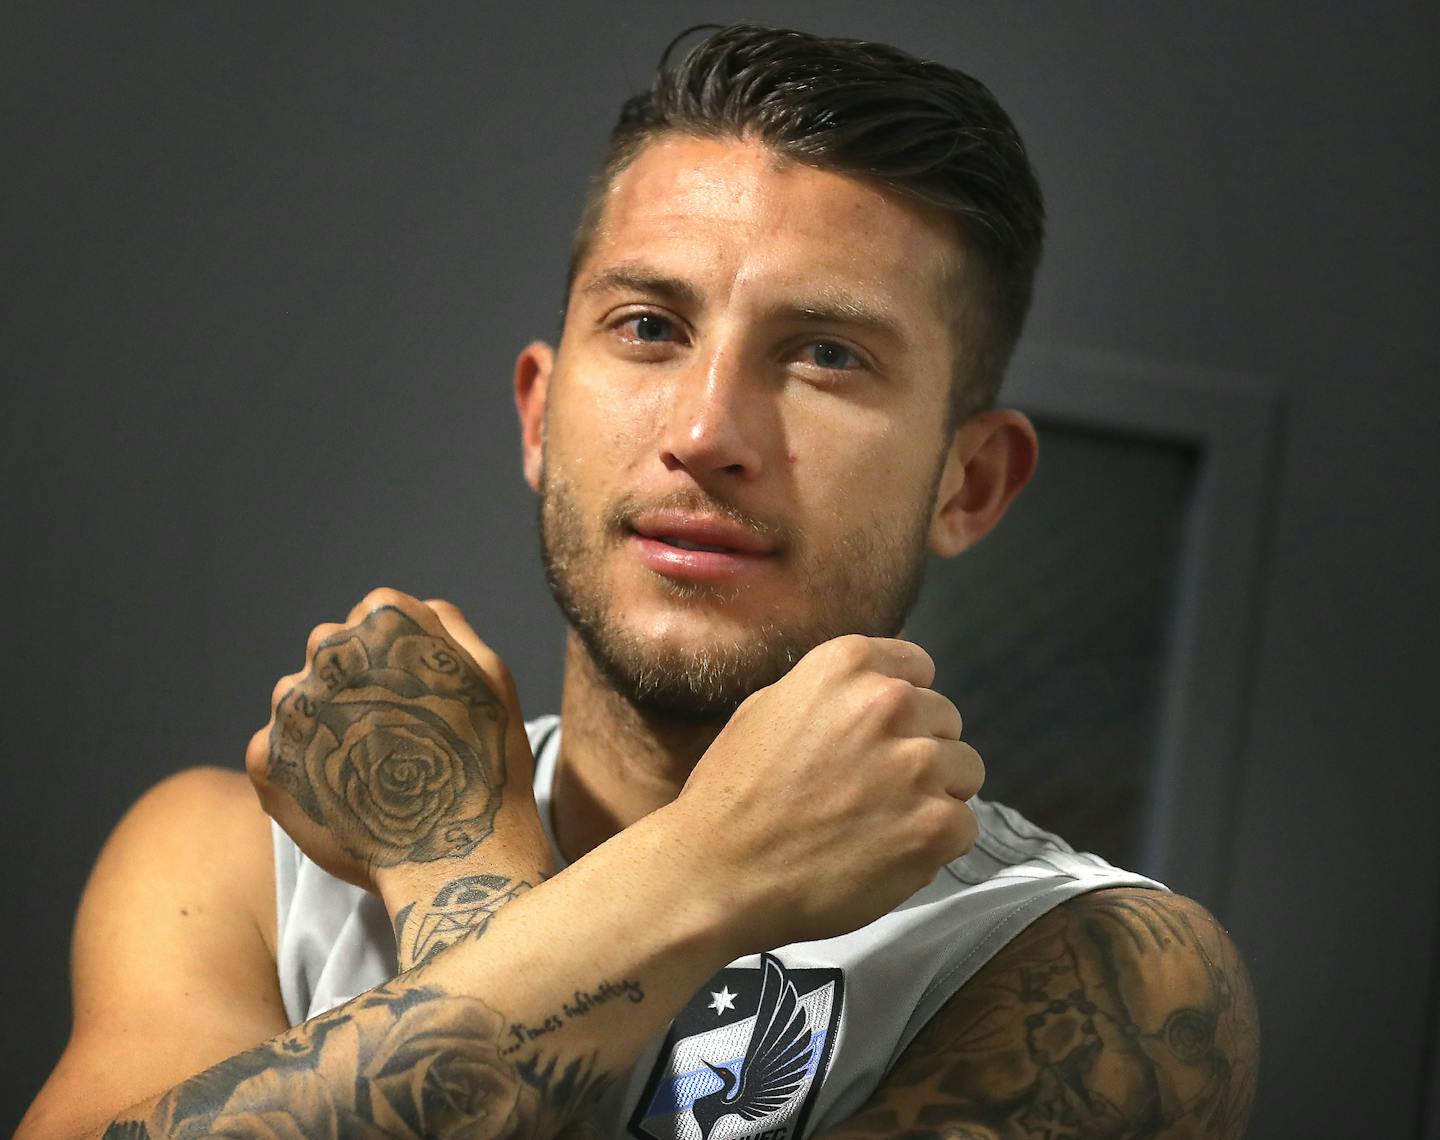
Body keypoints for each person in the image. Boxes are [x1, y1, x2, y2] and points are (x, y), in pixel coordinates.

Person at [19, 24, 1259, 1140]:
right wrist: (699, 877)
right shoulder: (244, 860)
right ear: (541, 414)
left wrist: (497, 861)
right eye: (650, 328)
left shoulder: (1095, 975)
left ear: (970, 484)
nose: (708, 429)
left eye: (825, 355)